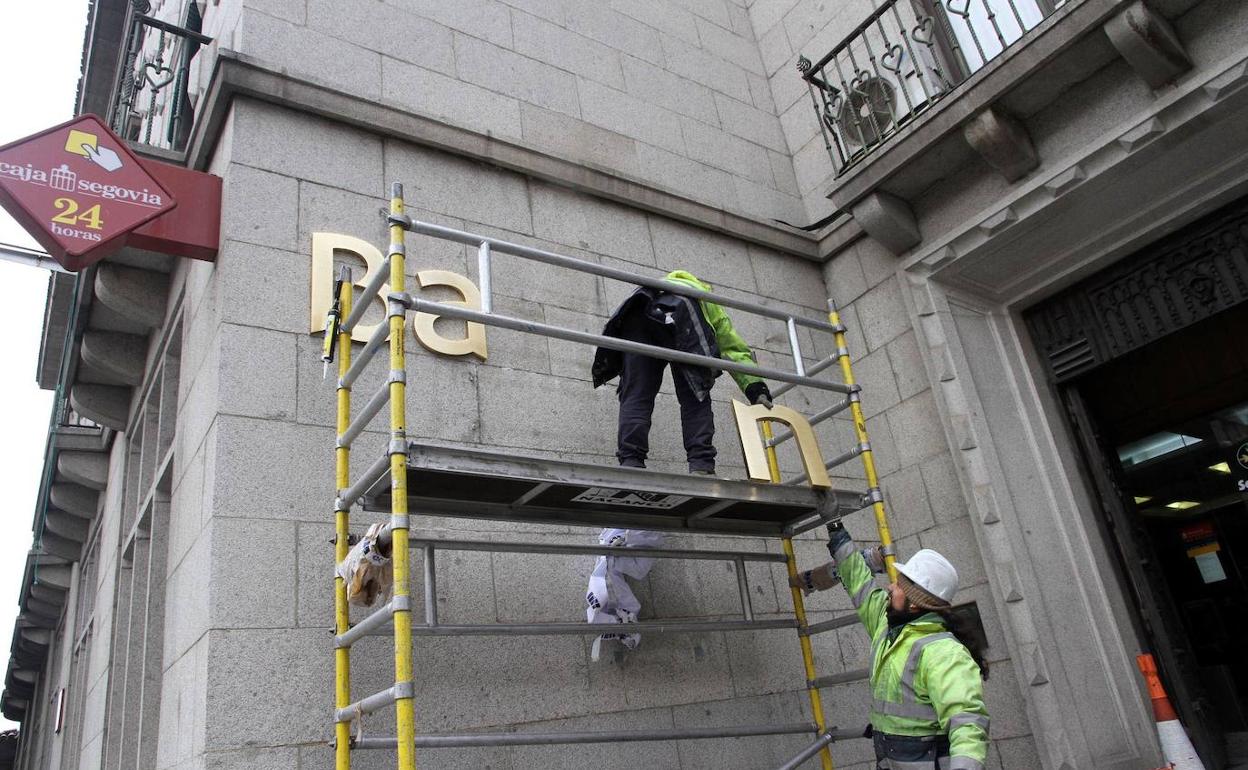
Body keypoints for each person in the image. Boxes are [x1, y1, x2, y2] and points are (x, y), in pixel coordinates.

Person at [792, 521, 990, 770]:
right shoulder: (888, 627)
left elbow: (967, 721)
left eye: (899, 585)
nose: (891, 587)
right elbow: (858, 582)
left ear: (915, 603)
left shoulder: (943, 652)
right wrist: (836, 529)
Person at [591, 270, 772, 476]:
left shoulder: (652, 287)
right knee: (696, 393)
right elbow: (731, 346)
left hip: (637, 310)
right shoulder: (703, 296)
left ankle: (631, 460)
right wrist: (756, 387)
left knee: (637, 392)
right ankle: (701, 463)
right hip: (683, 311)